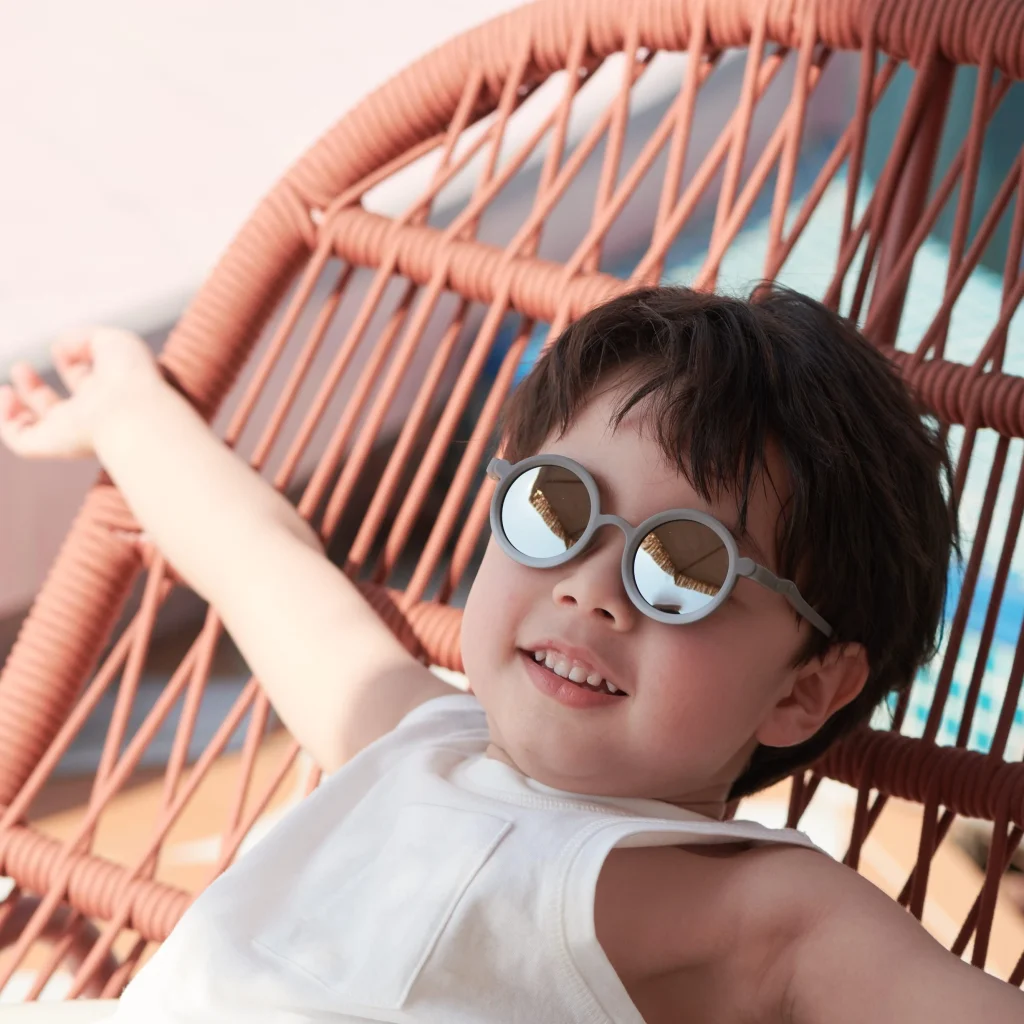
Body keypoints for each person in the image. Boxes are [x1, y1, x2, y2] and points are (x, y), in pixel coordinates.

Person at [1, 285, 1021, 1023]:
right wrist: (128, 416)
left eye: (679, 565)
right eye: (555, 507)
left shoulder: (763, 909)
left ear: (804, 689)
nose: (588, 585)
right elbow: (256, 560)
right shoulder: (406, 733)